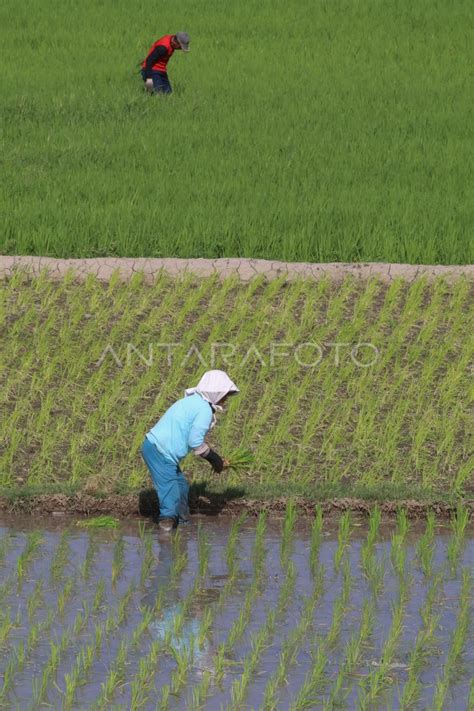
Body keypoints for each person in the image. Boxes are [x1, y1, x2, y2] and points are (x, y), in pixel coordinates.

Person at [141, 370, 239, 531]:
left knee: (181, 487)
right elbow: (195, 441)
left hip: (158, 449)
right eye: (225, 394)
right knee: (171, 492)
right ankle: (166, 530)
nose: (226, 398)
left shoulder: (195, 401)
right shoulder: (204, 409)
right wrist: (216, 460)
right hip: (159, 451)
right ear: (216, 392)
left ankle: (184, 526)